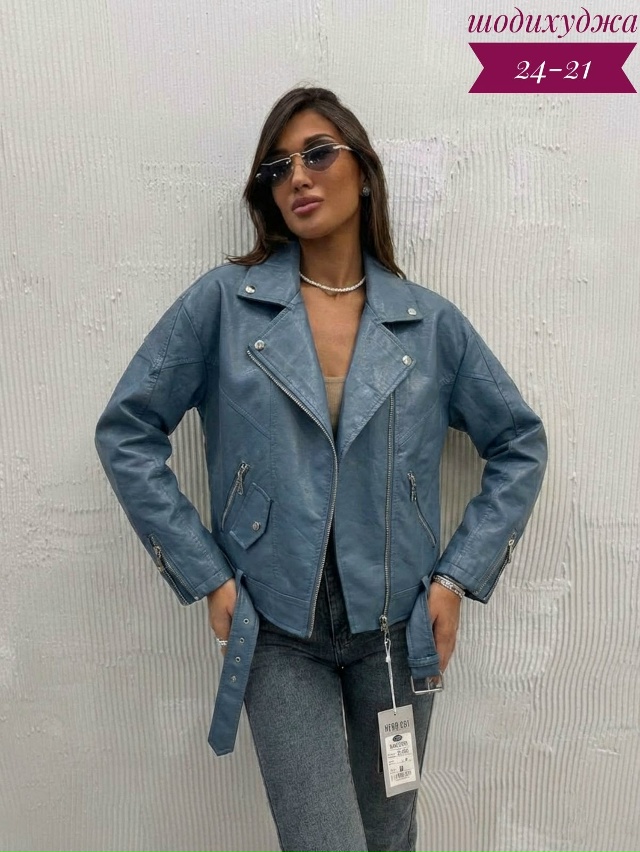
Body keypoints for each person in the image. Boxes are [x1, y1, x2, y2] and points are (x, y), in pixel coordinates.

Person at [95, 86, 547, 852]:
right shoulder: (225, 306)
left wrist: (455, 578)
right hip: (276, 629)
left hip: (396, 630)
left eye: (317, 153)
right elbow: (127, 430)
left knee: (389, 838)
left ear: (362, 171)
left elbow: (519, 443)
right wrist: (209, 575)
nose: (297, 176)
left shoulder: (427, 324)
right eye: (278, 167)